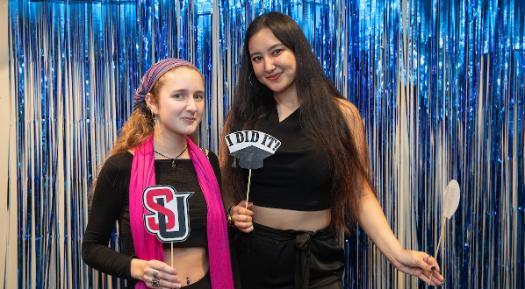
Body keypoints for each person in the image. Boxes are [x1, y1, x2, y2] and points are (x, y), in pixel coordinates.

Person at [220, 12, 444, 289]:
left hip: (318, 258)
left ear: (298, 51)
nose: (268, 65)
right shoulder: (241, 117)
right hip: (254, 256)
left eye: (276, 51)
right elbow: (227, 183)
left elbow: (359, 192)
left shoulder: (342, 114)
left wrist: (397, 254)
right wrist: (232, 211)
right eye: (257, 58)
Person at [82, 58, 234, 289]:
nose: (192, 107)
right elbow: (92, 248)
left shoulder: (208, 160)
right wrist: (139, 269)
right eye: (179, 96)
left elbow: (214, 229)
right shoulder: (121, 167)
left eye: (198, 96)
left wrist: (233, 217)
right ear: (152, 102)